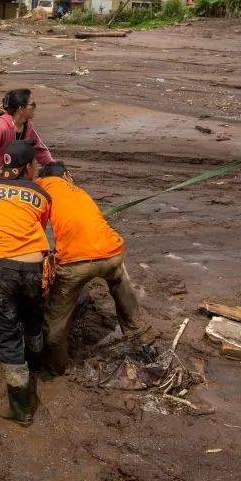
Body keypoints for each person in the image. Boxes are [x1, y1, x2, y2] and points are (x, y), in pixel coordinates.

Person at [36, 161, 158, 376]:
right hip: (112, 254)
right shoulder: (80, 192)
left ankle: (57, 367)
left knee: (55, 320)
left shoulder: (41, 188)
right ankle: (142, 341)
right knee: (121, 285)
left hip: (76, 263)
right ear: (67, 175)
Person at [0, 141, 51, 425]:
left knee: (7, 331)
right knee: (33, 316)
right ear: (29, 167)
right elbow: (40, 226)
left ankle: (21, 408)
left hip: (3, 265)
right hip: (34, 265)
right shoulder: (42, 194)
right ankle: (37, 368)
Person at [0, 88, 55, 185]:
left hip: (14, 178)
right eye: (32, 104)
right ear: (21, 109)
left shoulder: (27, 127)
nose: (35, 107)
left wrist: (56, 170)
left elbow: (40, 151)